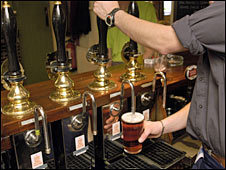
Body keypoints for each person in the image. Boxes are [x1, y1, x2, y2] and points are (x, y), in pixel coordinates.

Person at [94, 1, 225, 169]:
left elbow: (165, 41)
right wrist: (160, 126)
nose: (210, 3)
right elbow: (208, 104)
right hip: (208, 157)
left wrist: (113, 14)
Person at [107, 1, 157, 66]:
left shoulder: (146, 7)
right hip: (116, 64)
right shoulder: (109, 11)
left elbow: (150, 49)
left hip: (140, 63)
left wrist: (137, 66)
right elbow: (108, 52)